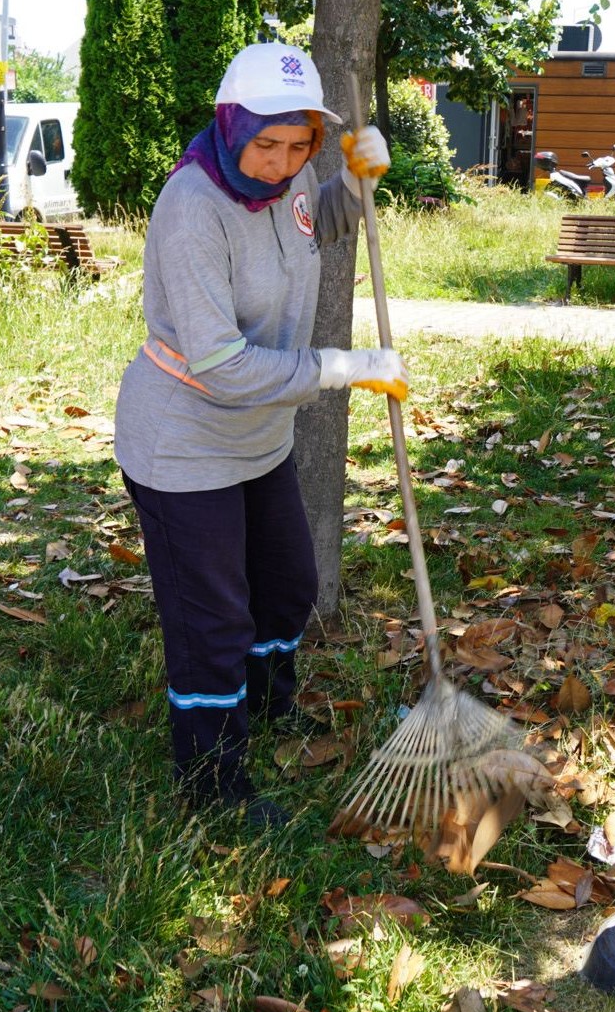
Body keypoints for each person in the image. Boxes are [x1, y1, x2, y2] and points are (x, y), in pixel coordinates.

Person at [114, 43, 404, 825]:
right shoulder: (192, 208)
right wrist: (342, 367)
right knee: (213, 620)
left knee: (285, 587)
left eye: (298, 145)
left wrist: (354, 180)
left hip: (258, 439)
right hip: (183, 441)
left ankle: (269, 710)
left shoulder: (292, 181)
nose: (280, 163)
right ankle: (212, 785)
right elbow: (221, 367)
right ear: (230, 125)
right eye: (265, 144)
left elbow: (319, 226)